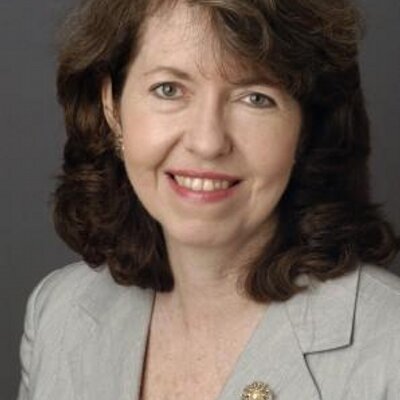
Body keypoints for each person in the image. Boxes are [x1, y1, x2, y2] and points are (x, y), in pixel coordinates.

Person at [17, 0, 400, 399]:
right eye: (169, 89)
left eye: (255, 98)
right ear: (112, 107)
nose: (208, 142)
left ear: (305, 129)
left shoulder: (391, 348)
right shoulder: (58, 315)